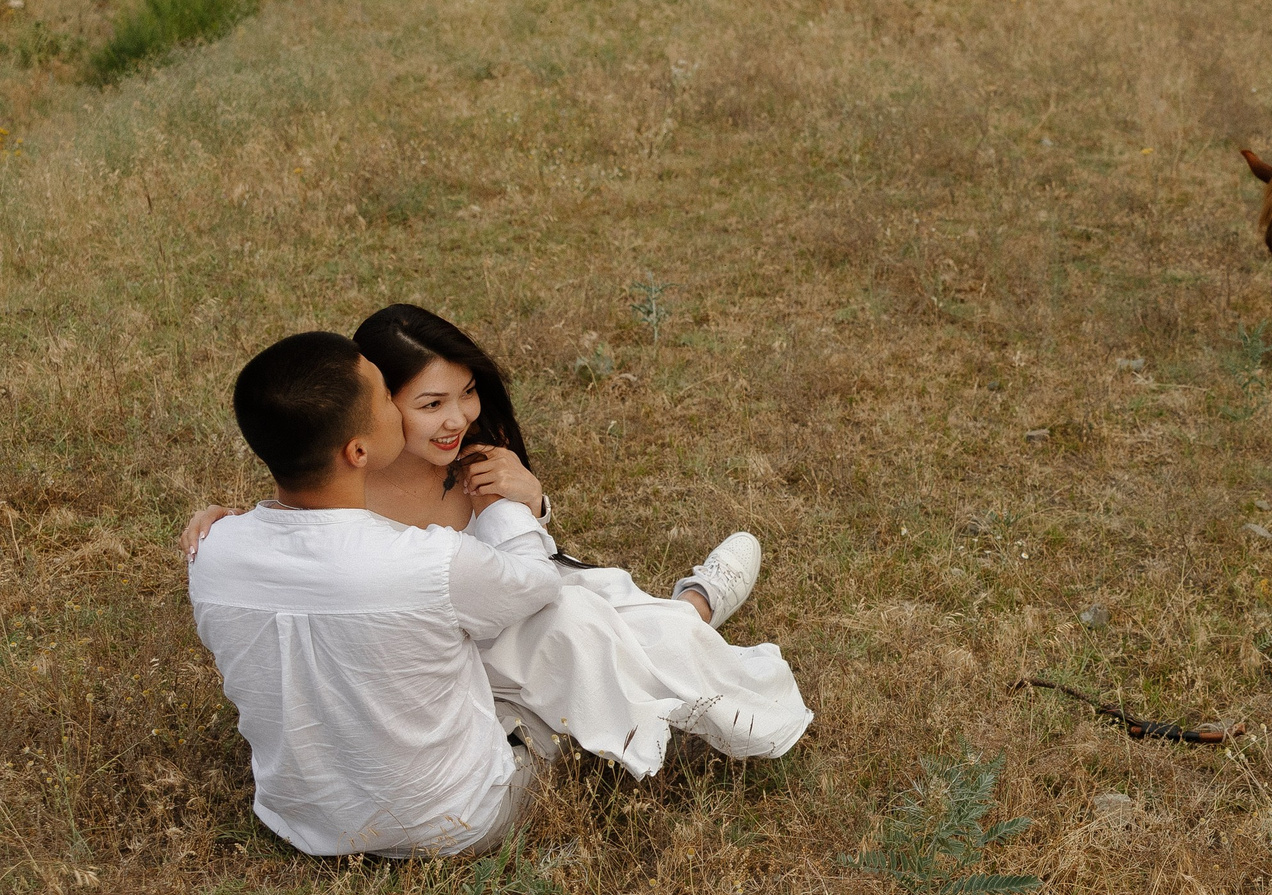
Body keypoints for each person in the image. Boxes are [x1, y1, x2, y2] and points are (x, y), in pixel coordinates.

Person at [186, 306, 812, 780]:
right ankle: (688, 613)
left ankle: (695, 604)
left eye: (467, 393)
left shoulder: (477, 466)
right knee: (599, 642)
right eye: (429, 403)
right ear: (371, 411)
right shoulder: (349, 481)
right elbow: (305, 534)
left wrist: (532, 501)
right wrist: (223, 521)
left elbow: (536, 564)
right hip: (443, 657)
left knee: (613, 628)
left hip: (530, 615)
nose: (457, 417)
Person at [187, 332, 562, 858]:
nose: (398, 405)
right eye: (387, 396)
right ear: (357, 450)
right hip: (456, 824)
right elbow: (540, 583)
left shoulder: (210, 551)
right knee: (565, 673)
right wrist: (502, 502)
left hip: (301, 825)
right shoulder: (428, 560)